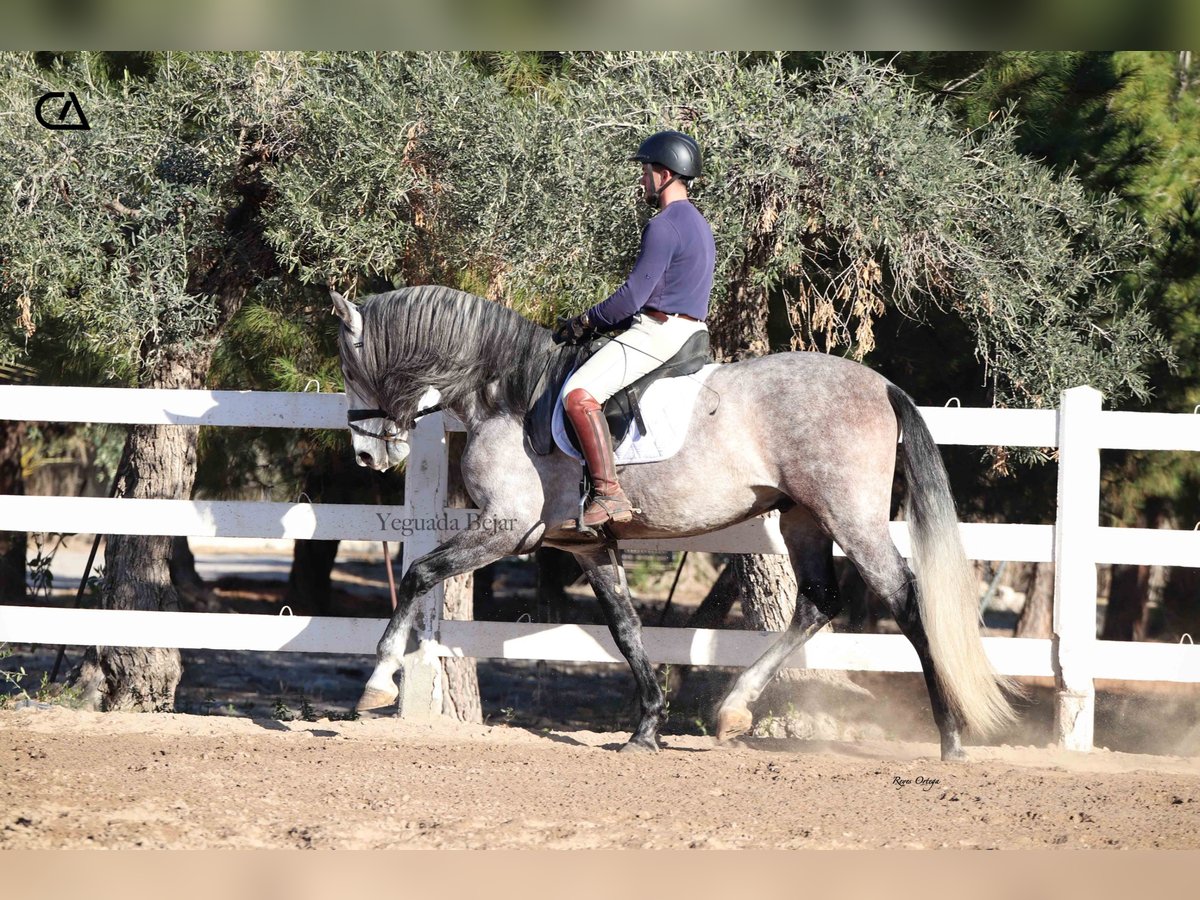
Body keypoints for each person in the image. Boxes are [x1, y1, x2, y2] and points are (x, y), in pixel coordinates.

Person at [554, 130, 716, 528]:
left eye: (646, 171)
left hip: (659, 332)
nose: (642, 179)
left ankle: (609, 493)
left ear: (663, 174)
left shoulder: (664, 225)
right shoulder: (698, 223)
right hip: (691, 329)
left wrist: (585, 321)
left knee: (578, 395)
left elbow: (631, 297)